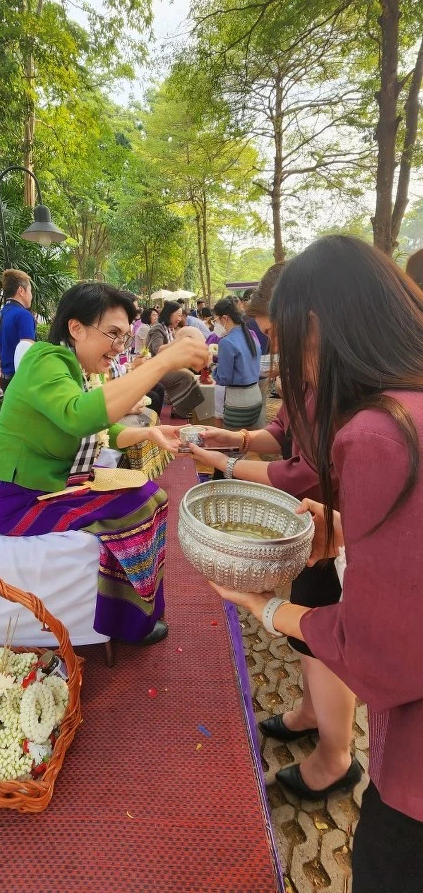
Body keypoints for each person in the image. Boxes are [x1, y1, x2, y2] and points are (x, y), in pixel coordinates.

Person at [207, 236, 423, 893]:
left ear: (325, 328)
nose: (283, 364)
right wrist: (345, 528)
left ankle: (333, 754)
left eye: (287, 337)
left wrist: (270, 609)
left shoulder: (378, 431)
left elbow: (383, 650)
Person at [0, 282, 208, 645]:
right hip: (16, 500)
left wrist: (150, 433)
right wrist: (163, 361)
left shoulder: (75, 369)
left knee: (147, 494)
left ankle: (128, 611)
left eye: (124, 336)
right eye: (113, 334)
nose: (119, 346)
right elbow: (79, 417)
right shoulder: (44, 359)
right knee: (141, 502)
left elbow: (105, 431)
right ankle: (127, 619)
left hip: (49, 483)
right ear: (76, 328)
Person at [146, 301, 205, 419]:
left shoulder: (169, 328)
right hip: (155, 368)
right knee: (185, 376)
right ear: (169, 314)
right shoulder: (158, 329)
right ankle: (180, 410)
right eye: (178, 315)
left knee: (190, 372)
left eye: (181, 315)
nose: (180, 318)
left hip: (165, 365)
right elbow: (158, 350)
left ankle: (182, 408)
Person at [212, 297, 262, 429]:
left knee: (233, 445)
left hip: (238, 403)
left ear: (224, 318)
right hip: (256, 398)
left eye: (215, 320)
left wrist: (212, 366)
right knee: (248, 442)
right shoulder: (251, 334)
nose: (215, 324)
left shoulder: (226, 342)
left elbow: (224, 378)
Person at [0, 269, 35, 391]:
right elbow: (28, 352)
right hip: (20, 380)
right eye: (30, 291)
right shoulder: (23, 315)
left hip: (5, 380)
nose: (31, 295)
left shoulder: (0, 314)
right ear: (21, 291)